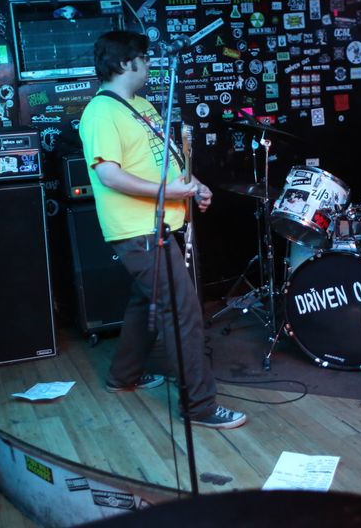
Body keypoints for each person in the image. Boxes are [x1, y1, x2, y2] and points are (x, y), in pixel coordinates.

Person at [79, 30, 246, 429]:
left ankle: (123, 375)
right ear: (126, 63)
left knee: (146, 301)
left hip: (161, 222)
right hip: (137, 229)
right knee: (183, 313)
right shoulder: (101, 113)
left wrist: (195, 185)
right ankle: (199, 406)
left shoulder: (142, 106)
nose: (151, 63)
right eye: (145, 57)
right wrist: (169, 192)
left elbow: (167, 160)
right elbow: (108, 175)